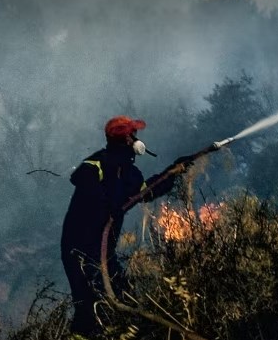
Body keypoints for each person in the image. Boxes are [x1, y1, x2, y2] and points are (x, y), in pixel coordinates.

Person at [60, 116, 188, 337]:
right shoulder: (98, 162)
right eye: (133, 134)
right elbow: (79, 177)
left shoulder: (130, 174)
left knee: (121, 293)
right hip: (78, 249)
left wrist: (173, 172)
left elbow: (147, 190)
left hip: (103, 251)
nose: (137, 139)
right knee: (87, 304)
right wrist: (107, 205)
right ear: (127, 139)